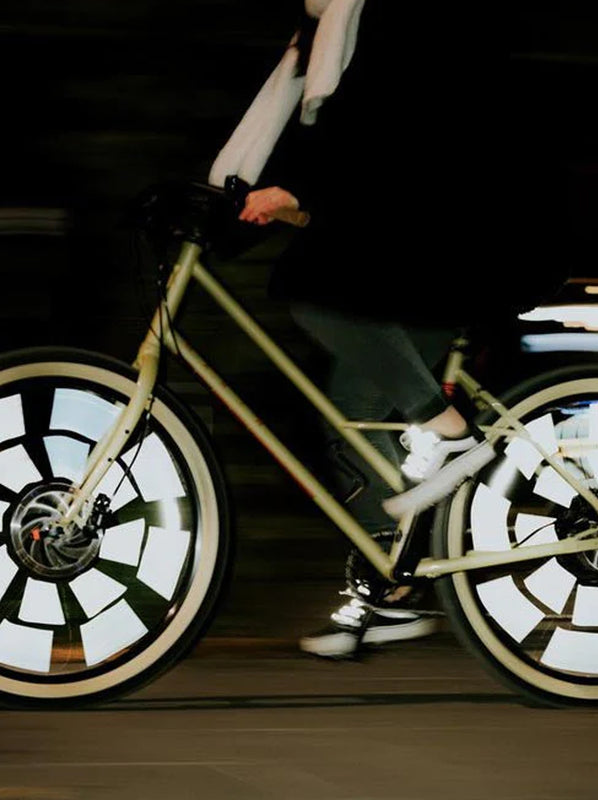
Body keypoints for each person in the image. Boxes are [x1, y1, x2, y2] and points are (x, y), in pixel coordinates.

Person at [210, 0, 568, 657]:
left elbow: (403, 131)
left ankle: (453, 435)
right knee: (353, 412)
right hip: (413, 237)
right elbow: (299, 142)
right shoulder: (324, 32)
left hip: (472, 231)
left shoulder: (397, 16)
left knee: (308, 290)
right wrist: (229, 208)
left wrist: (297, 194)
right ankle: (393, 589)